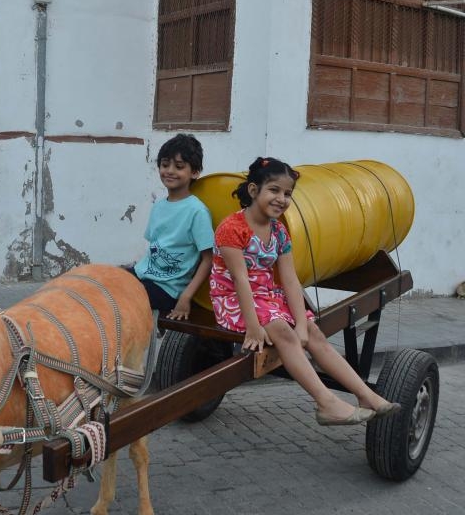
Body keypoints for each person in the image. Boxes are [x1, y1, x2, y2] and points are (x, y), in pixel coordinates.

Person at [209, 157, 401, 426]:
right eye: (274, 190)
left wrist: (301, 323)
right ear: (253, 191)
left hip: (266, 295)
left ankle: (365, 395)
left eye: (287, 193)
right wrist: (253, 328)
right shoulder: (232, 228)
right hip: (232, 299)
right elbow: (240, 280)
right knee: (282, 330)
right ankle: (326, 403)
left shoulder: (279, 232)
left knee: (313, 332)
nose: (281, 199)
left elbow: (290, 281)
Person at [129, 134, 214, 323]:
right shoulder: (159, 206)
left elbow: (208, 259)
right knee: (101, 282)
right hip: (144, 274)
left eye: (179, 166)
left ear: (195, 172)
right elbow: (154, 246)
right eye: (165, 164)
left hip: (169, 288)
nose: (169, 171)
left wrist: (185, 298)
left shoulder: (197, 211)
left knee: (121, 299)